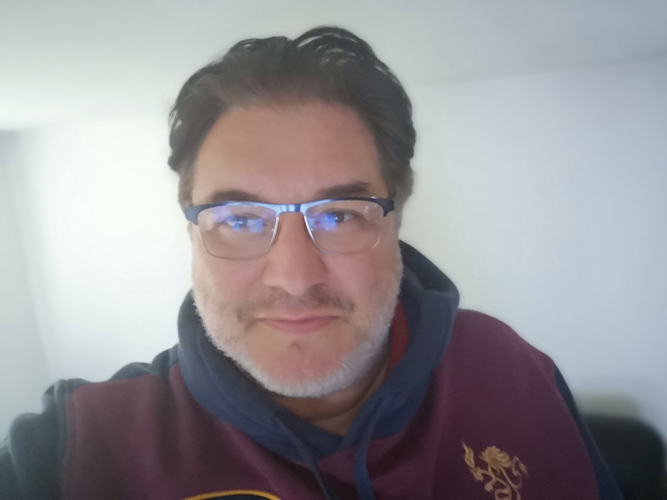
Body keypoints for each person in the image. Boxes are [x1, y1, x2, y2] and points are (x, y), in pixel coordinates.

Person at [0, 26, 621, 500]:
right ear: (191, 231)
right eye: (241, 219)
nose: (295, 278)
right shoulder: (73, 449)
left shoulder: (515, 370)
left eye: (340, 214)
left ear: (395, 220)